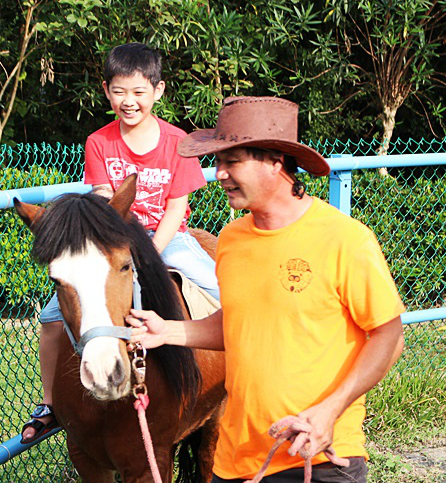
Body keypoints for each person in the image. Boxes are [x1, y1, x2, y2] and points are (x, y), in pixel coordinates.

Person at [126, 96, 406, 482]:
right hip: (238, 458)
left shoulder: (345, 240)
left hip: (319, 455)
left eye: (232, 161)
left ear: (276, 162)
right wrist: (169, 331)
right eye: (218, 162)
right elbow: (238, 323)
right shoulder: (231, 240)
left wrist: (330, 410)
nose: (219, 173)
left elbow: (389, 336)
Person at [21, 42, 219, 444]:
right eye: (120, 91)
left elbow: (177, 209)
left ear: (158, 91)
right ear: (107, 91)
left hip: (168, 239)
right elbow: (101, 201)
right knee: (52, 317)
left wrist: (152, 252)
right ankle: (49, 404)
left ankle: (235, 369)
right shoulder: (99, 141)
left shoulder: (177, 141)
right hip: (113, 242)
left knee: (218, 287)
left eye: (139, 92)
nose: (129, 102)